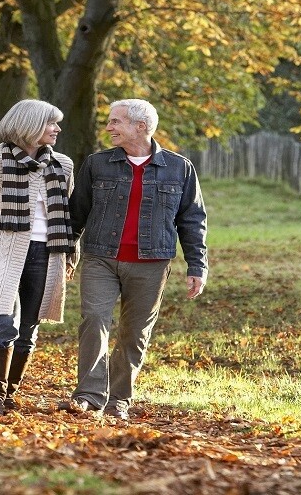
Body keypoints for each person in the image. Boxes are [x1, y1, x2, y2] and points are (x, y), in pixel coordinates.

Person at [59, 98, 208, 420]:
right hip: (101, 257)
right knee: (94, 320)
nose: (109, 127)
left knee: (135, 332)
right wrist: (66, 253)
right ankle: (89, 396)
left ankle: (118, 400)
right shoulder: (97, 164)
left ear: (140, 126)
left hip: (152, 264)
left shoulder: (179, 168)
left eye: (116, 121)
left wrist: (197, 265)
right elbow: (76, 213)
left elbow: (192, 220)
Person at [0, 99, 79, 416]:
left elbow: (68, 218)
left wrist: (69, 259)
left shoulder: (63, 166)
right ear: (29, 125)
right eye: (51, 123)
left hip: (47, 254)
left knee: (28, 329)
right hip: (0, 254)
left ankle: (9, 395)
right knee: (4, 324)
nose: (57, 129)